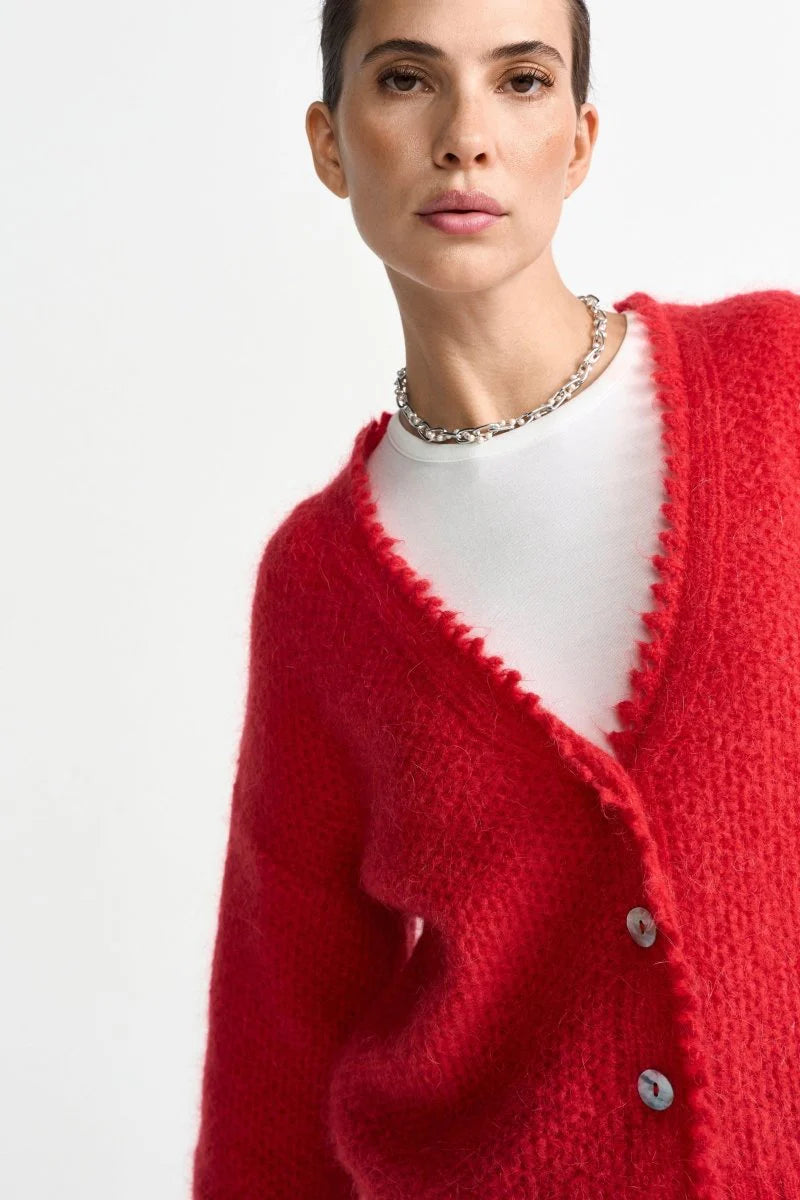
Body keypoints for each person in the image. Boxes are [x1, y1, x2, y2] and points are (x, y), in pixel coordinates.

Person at [191, 1, 800, 1197]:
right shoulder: (317, 588)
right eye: (406, 80)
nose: (464, 134)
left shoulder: (774, 388)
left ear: (577, 141)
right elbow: (278, 1043)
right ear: (330, 143)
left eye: (520, 81)